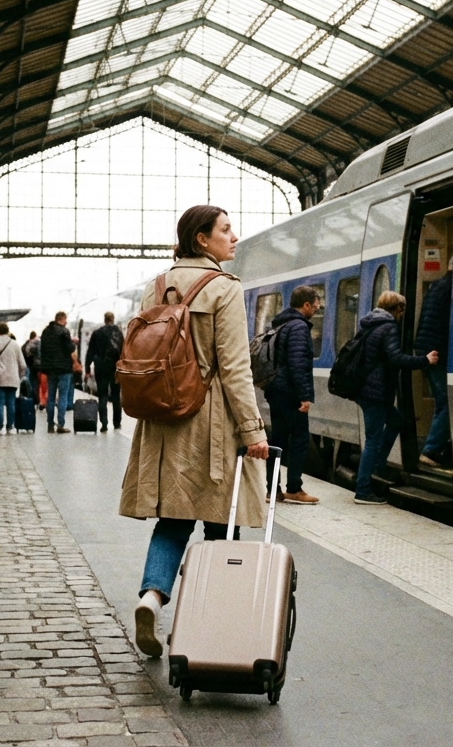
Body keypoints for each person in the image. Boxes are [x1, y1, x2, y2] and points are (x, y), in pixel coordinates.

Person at [121, 204, 271, 658]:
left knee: (173, 518)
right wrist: (252, 432)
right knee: (221, 523)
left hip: (164, 422)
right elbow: (235, 370)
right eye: (226, 230)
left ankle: (151, 597)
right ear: (201, 239)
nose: (234, 236)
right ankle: (212, 621)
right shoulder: (224, 289)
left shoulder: (157, 286)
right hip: (211, 424)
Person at [353, 291, 438, 505]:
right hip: (375, 392)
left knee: (397, 421)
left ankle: (377, 465)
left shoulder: (370, 324)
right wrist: (424, 360)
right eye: (402, 309)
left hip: (367, 390)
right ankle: (363, 491)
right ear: (396, 309)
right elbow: (395, 358)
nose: (402, 314)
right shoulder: (388, 326)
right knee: (372, 439)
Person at [263, 286, 321, 505]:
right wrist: (305, 397)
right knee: (299, 440)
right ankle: (294, 488)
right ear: (305, 305)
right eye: (315, 305)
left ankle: (273, 490)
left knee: (277, 441)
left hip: (276, 391)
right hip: (290, 394)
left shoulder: (282, 324)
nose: (316, 309)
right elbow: (298, 365)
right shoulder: (298, 327)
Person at [415, 259, 453, 467]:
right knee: (446, 400)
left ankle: (439, 446)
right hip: (436, 353)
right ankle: (431, 449)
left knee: (441, 400)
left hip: (427, 349)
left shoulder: (437, 285)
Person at [85, 311, 124, 432]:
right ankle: (117, 423)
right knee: (116, 396)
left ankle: (104, 424)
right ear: (113, 319)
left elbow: (90, 352)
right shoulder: (118, 333)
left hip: (101, 367)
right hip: (115, 368)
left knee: (102, 396)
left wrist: (87, 369)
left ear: (104, 319)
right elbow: (124, 351)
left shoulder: (97, 333)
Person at [0, 322, 26, 435]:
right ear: (7, 331)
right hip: (12, 378)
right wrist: (20, 376)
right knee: (11, 403)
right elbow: (23, 365)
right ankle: (10, 427)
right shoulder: (15, 344)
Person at [39, 311, 75, 434]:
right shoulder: (64, 332)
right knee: (63, 396)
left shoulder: (45, 332)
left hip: (50, 369)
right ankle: (60, 424)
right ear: (62, 319)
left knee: (50, 397)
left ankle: (50, 425)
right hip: (64, 369)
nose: (66, 322)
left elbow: (42, 351)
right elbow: (70, 348)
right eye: (66, 320)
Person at [22, 331, 42, 406]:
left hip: (30, 366)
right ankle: (39, 399)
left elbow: (25, 354)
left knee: (32, 381)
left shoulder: (26, 344)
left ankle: (33, 397)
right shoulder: (38, 343)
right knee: (40, 383)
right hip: (40, 366)